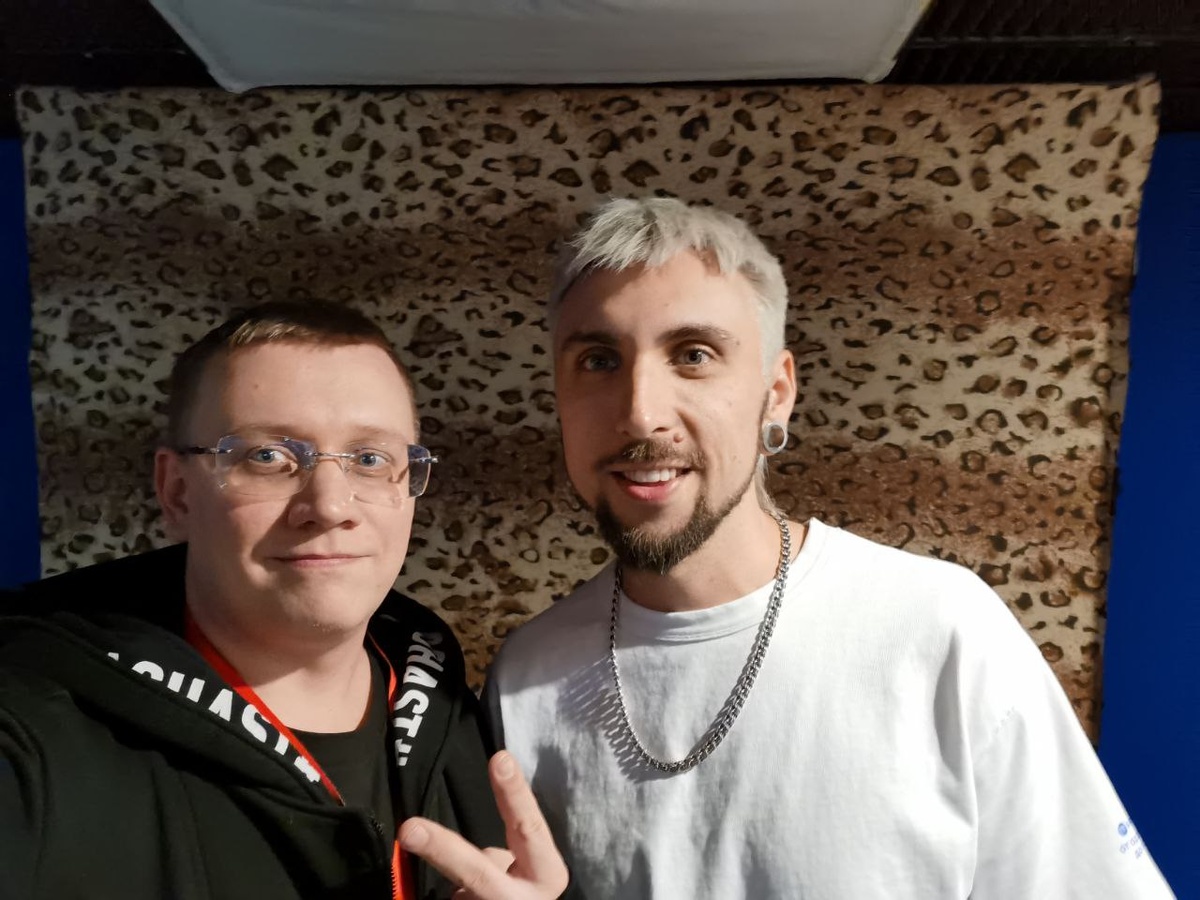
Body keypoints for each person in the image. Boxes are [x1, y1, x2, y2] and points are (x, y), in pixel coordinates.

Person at [483, 197, 1176, 898]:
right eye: (599, 360)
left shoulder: (940, 631)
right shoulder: (526, 677)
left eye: (693, 356)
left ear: (776, 394)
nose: (640, 413)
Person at [0, 301, 567, 900]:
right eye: (267, 457)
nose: (329, 505)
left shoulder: (449, 702)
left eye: (369, 459)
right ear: (177, 492)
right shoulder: (31, 734)